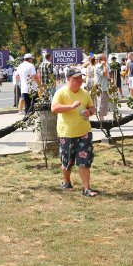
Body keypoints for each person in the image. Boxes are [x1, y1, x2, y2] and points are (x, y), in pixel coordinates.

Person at [51, 68, 98, 197]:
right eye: (76, 79)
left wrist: (90, 112)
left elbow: (92, 107)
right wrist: (70, 107)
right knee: (67, 161)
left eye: (80, 79)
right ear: (68, 79)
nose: (79, 81)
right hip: (67, 133)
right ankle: (66, 181)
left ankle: (86, 189)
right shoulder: (61, 93)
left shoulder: (85, 93)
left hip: (84, 132)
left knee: (85, 160)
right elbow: (54, 108)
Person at [94, 55, 111, 120]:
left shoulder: (107, 65)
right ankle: (101, 118)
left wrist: (110, 79)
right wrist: (104, 65)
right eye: (104, 59)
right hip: (100, 87)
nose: (106, 60)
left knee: (105, 102)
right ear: (101, 60)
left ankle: (102, 116)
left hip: (106, 86)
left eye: (106, 59)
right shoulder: (98, 66)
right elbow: (103, 73)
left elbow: (108, 74)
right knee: (100, 102)